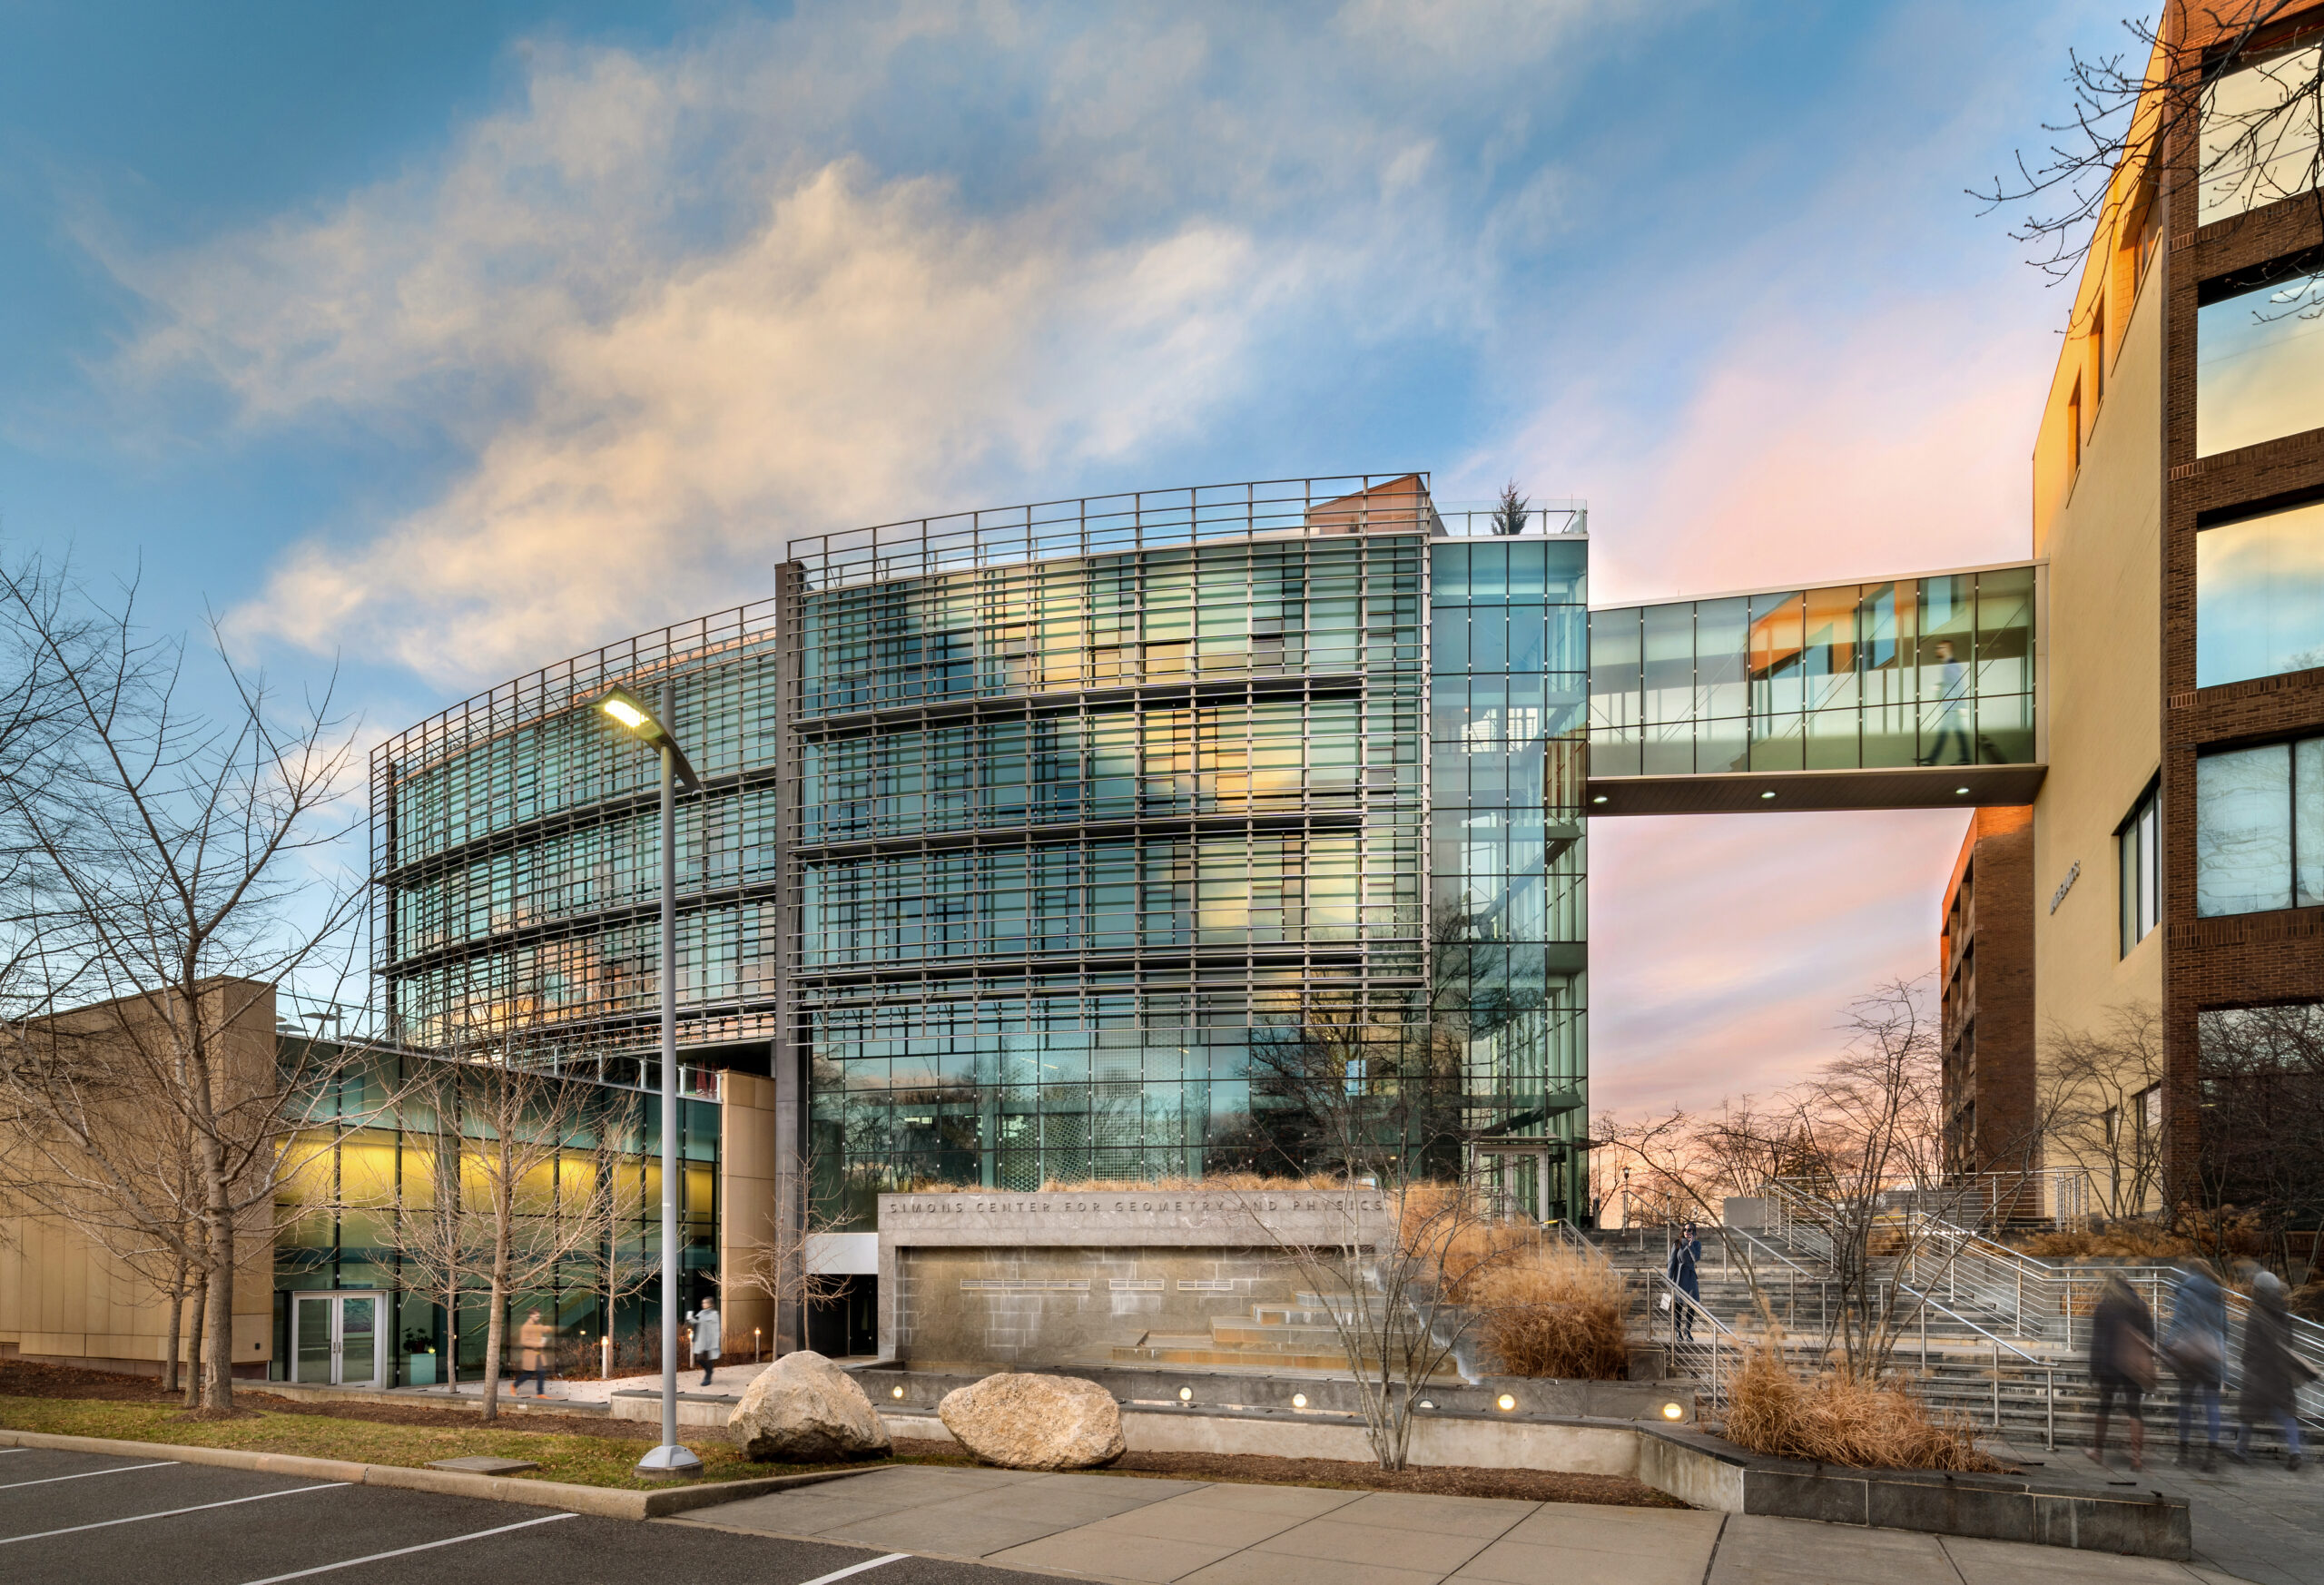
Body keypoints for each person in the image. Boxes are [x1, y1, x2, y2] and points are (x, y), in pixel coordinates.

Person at [2234, 1271, 2314, 1471]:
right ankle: (2295, 1452)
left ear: (2258, 1290)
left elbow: (2250, 1345)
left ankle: (2240, 1451)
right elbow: (2289, 1342)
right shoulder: (2283, 1312)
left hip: (2259, 1371)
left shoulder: (2255, 1312)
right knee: (2287, 1413)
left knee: (2249, 1412)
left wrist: (2246, 1362)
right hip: (2280, 1370)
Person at [2162, 1262, 2226, 1471]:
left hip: (2191, 1355)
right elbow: (2225, 1328)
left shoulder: (2186, 1291)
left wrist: (2168, 1346)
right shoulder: (2218, 1293)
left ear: (2190, 1272)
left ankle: (2183, 1454)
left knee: (2186, 1405)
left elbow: (2178, 1322)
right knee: (2212, 1407)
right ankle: (2211, 1457)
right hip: (2213, 1354)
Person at [2088, 1275, 2155, 1471]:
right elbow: (2151, 1336)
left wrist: (2094, 1369)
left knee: (2104, 1406)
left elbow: (2097, 1341)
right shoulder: (2139, 1306)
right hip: (2132, 1366)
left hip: (2109, 1364)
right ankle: (2136, 1458)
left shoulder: (2104, 1307)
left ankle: (2098, 1452)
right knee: (2134, 1409)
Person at [1920, 639, 1973, 767]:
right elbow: (1952, 684)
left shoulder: (1951, 665)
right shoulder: (1948, 665)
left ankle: (1932, 759)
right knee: (1958, 733)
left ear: (1947, 649)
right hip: (1952, 705)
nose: (1937, 650)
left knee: (1943, 733)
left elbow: (1958, 685)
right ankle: (1965, 758)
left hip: (1952, 706)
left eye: (1940, 647)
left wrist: (1962, 706)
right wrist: (1940, 685)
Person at [1667, 1224, 1703, 1342]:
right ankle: (1678, 1331)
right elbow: (1671, 1263)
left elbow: (1695, 1259)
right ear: (1682, 1231)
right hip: (1679, 1276)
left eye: (1690, 1230)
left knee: (1693, 1304)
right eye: (1685, 1229)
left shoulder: (1697, 1244)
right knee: (1678, 1305)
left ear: (1694, 1232)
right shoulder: (1677, 1243)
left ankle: (1687, 1330)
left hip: (1691, 1276)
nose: (1687, 1231)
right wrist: (1669, 1280)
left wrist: (1690, 1245)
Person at [514, 1309, 553, 1397]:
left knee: (542, 1372)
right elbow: (524, 1342)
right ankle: (514, 1386)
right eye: (537, 1316)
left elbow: (543, 1328)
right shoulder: (525, 1327)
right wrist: (537, 1344)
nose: (538, 1317)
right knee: (528, 1374)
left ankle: (540, 1393)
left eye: (539, 1316)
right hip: (531, 1354)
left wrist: (548, 1329)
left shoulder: (537, 1324)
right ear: (531, 1315)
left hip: (539, 1354)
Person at [686, 1296, 723, 1387]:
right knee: (699, 1358)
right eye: (703, 1303)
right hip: (701, 1340)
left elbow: (717, 1328)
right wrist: (690, 1318)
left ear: (710, 1304)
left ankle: (708, 1377)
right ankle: (709, 1371)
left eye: (705, 1302)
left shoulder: (714, 1314)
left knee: (709, 1359)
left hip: (710, 1341)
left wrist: (716, 1341)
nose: (703, 1304)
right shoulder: (701, 1313)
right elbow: (697, 1322)